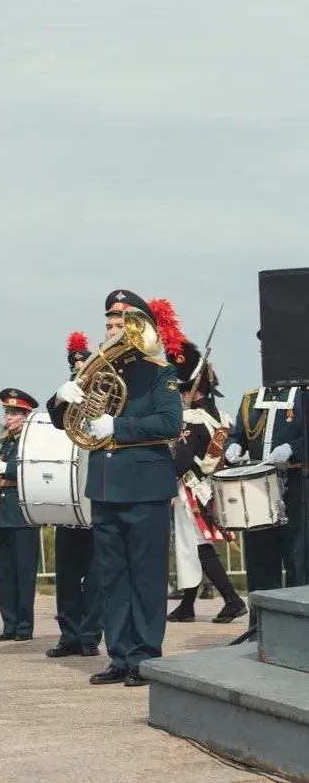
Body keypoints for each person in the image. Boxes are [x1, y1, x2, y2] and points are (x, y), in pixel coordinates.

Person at [49, 291, 182, 686]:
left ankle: (145, 656)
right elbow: (65, 421)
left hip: (144, 487)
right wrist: (60, 397)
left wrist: (118, 428)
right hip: (105, 487)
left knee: (146, 575)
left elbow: (170, 423)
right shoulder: (94, 371)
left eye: (121, 324)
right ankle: (120, 656)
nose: (113, 331)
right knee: (112, 576)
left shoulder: (159, 372)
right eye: (109, 324)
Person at [224, 330, 306, 622]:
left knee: (299, 562)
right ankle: (259, 628)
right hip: (258, 491)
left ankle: (299, 630)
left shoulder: (304, 394)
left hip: (296, 489)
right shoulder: (251, 398)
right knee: (260, 564)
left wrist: (294, 449)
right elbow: (238, 434)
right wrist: (232, 445)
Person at [167, 339, 246, 624]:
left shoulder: (192, 418)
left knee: (198, 546)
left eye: (182, 390)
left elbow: (182, 461)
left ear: (192, 391)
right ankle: (187, 606)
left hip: (191, 489)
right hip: (208, 487)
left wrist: (161, 481)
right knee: (192, 545)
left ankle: (232, 599)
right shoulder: (219, 417)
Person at [43, 332, 102, 658]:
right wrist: (57, 398)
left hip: (93, 491)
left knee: (95, 575)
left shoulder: (103, 395)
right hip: (68, 492)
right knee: (66, 574)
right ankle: (69, 635)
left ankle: (90, 635)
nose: (79, 366)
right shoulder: (69, 395)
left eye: (83, 361)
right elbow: (52, 423)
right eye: (75, 363)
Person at [0, 388, 40, 642]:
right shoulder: (4, 440)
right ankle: (9, 623)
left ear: (26, 415)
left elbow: (33, 466)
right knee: (4, 571)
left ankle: (24, 626)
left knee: (23, 571)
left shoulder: (30, 440)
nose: (9, 417)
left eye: (14, 413)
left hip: (21, 510)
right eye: (7, 412)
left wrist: (6, 468)